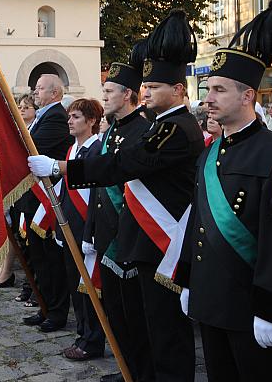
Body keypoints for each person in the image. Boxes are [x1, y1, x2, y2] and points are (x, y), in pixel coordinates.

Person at [34, 9, 203, 381]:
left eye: (154, 87)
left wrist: (65, 169)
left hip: (163, 245)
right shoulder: (164, 124)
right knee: (144, 327)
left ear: (177, 89)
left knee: (166, 335)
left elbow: (129, 163)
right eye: (145, 86)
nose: (146, 92)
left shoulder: (177, 128)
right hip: (140, 241)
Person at [176, 0, 272, 382]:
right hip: (211, 300)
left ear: (248, 95)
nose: (207, 98)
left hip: (252, 307)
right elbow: (197, 221)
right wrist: (188, 282)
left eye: (218, 90)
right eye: (207, 88)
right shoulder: (211, 151)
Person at [83, 49, 153, 382]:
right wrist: (91, 233)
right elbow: (99, 188)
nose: (104, 97)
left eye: (109, 92)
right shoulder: (113, 130)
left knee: (134, 317)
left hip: (129, 237)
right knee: (116, 314)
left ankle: (139, 373)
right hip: (107, 234)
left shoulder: (142, 130)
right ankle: (126, 369)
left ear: (127, 94)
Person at [19, 74, 74, 333]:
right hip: (35, 197)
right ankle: (45, 306)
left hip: (48, 198)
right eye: (36, 88)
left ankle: (57, 311)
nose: (36, 92)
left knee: (51, 259)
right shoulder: (43, 116)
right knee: (39, 257)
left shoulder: (56, 118)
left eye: (40, 88)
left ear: (54, 93)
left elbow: (33, 148)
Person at [55, 98, 105, 361]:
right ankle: (82, 333)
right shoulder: (72, 150)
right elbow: (65, 191)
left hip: (87, 229)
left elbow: (97, 197)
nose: (70, 122)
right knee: (76, 286)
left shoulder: (97, 151)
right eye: (69, 117)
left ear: (92, 121)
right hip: (70, 227)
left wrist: (91, 233)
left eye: (75, 117)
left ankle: (93, 340)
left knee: (89, 288)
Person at [0, 94, 37, 291]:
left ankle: (10, 273)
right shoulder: (21, 129)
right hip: (15, 190)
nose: (22, 109)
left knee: (22, 235)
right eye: (20, 106)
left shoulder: (36, 128)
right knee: (11, 231)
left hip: (28, 191)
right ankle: (4, 269)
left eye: (27, 106)